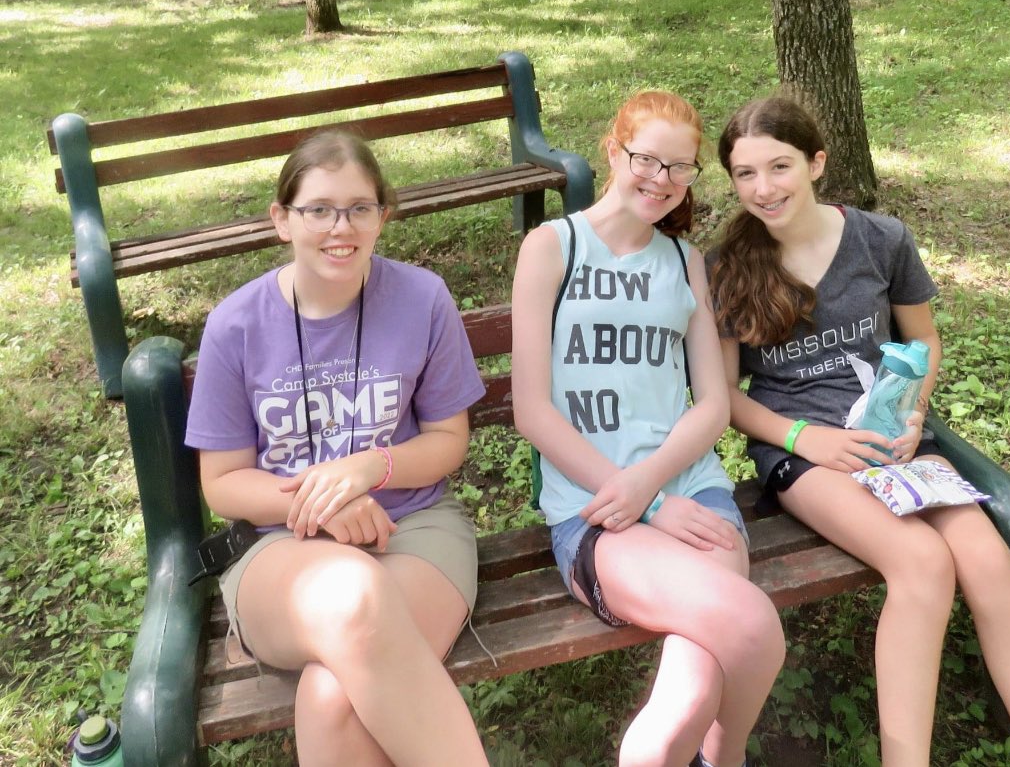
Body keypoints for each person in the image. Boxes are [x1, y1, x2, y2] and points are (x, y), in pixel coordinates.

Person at [708, 95, 1010, 766]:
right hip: (806, 455)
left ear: (817, 162)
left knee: (993, 562)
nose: (763, 188)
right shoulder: (728, 266)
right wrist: (803, 440)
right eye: (744, 173)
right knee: (922, 564)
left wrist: (913, 413)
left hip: (897, 440)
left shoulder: (882, 239)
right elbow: (725, 399)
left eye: (780, 166)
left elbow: (924, 340)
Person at [185, 131, 490, 767]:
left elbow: (447, 441)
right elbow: (222, 482)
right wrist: (323, 501)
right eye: (318, 209)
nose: (339, 227)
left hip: (414, 528)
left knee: (331, 697)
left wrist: (369, 467)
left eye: (359, 207)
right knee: (352, 594)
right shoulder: (235, 326)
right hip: (278, 546)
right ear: (281, 220)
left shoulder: (422, 299)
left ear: (384, 215)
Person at [511, 91, 786, 767]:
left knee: (681, 711)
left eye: (680, 168)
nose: (661, 180)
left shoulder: (684, 262)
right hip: (596, 509)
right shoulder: (552, 247)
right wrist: (640, 498)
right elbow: (532, 409)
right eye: (647, 160)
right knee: (749, 623)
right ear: (613, 150)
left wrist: (660, 488)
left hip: (692, 492)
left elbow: (712, 405)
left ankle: (714, 758)